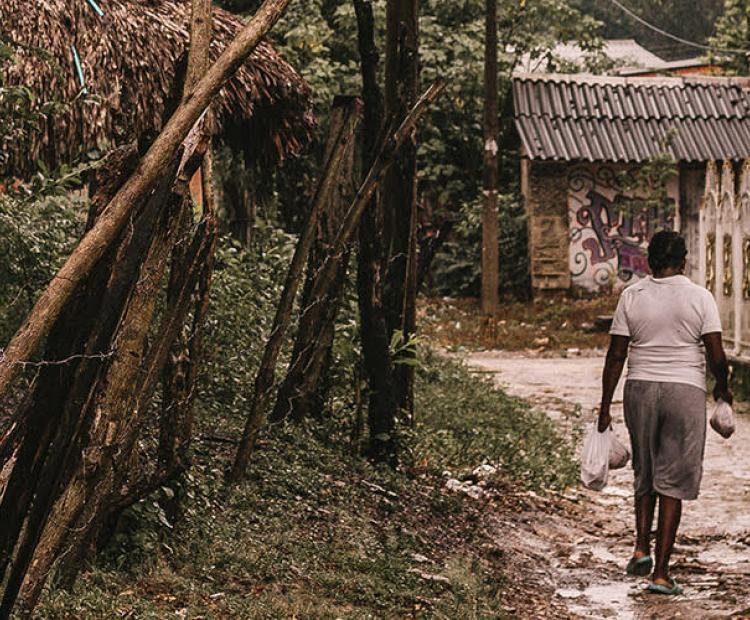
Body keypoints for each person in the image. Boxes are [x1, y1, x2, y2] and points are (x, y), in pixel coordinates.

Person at [597, 230, 732, 596]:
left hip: (639, 389)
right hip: (684, 391)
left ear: (649, 262)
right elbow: (717, 355)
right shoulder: (699, 297)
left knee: (646, 468)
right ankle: (660, 573)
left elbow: (616, 355)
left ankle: (641, 547)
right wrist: (724, 389)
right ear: (684, 260)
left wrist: (605, 407)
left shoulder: (632, 296)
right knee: (672, 479)